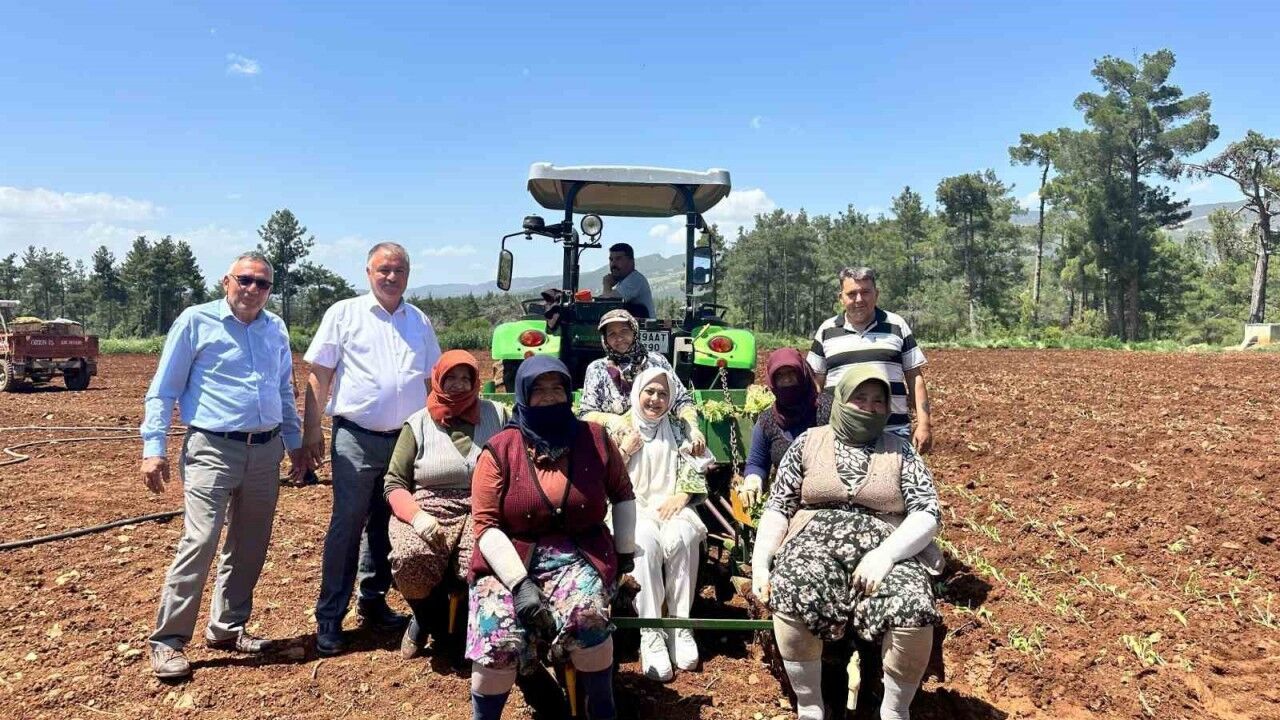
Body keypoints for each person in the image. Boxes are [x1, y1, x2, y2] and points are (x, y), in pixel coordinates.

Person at [140, 252, 307, 679]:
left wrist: (294, 443)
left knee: (250, 542)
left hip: (265, 450)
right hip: (212, 448)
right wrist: (153, 447)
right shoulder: (195, 321)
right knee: (200, 539)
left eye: (262, 284)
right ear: (226, 281)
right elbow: (163, 390)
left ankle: (228, 627)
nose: (253, 289)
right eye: (244, 280)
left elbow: (284, 391)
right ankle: (168, 641)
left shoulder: (275, 328)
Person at [751, 364, 944, 720]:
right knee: (793, 586)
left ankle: (895, 710)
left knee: (914, 605)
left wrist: (886, 556)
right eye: (860, 398)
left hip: (885, 549)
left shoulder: (901, 451)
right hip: (812, 545)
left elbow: (927, 513)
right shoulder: (807, 443)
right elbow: (779, 507)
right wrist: (761, 563)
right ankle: (810, 706)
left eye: (877, 401)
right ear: (840, 400)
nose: (869, 407)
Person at [465, 356, 636, 720]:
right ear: (523, 395)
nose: (548, 397)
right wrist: (519, 584)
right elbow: (486, 526)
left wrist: (624, 555)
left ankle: (601, 708)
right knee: (497, 632)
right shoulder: (500, 449)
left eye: (557, 389)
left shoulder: (595, 438)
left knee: (587, 617)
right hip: (509, 556)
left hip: (581, 553)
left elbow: (623, 493)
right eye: (538, 390)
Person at [303, 242, 442, 656]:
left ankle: (373, 600)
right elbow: (319, 375)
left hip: (406, 440)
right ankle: (330, 616)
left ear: (408, 275)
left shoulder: (419, 321)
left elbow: (431, 383)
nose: (391, 277)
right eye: (383, 269)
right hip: (356, 437)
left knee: (388, 523)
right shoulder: (344, 314)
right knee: (347, 524)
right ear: (368, 272)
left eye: (399, 270)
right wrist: (312, 430)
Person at [383, 350, 510, 659]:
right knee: (411, 558)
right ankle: (425, 620)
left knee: (481, 563)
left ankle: (465, 634)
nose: (458, 384)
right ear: (438, 379)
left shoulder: (498, 415)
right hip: (429, 506)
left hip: (485, 505)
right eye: (450, 377)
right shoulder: (418, 423)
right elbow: (394, 483)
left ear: (476, 381)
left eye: (466, 378)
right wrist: (416, 517)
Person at [604, 367, 711, 682]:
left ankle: (680, 625)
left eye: (663, 394)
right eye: (649, 392)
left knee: (683, 537)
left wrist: (683, 495)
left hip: (671, 505)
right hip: (631, 507)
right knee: (644, 542)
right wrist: (625, 451)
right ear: (637, 393)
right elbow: (604, 475)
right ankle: (650, 631)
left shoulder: (678, 427)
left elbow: (696, 465)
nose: (655, 399)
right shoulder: (620, 428)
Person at [806, 267, 933, 453]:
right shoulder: (827, 330)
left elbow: (914, 377)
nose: (859, 299)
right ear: (841, 298)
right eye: (851, 294)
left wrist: (924, 424)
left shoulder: (896, 325)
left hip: (892, 432)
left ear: (876, 294)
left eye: (865, 292)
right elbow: (815, 383)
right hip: (842, 435)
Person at [579, 309, 706, 456]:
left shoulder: (656, 361)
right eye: (612, 334)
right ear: (605, 339)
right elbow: (586, 413)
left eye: (624, 331)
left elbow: (681, 400)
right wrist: (614, 421)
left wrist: (693, 429)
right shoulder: (597, 369)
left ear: (634, 332)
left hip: (660, 446)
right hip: (619, 449)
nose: (619, 338)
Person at [739, 347, 834, 508]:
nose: (787, 380)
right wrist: (752, 482)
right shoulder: (768, 421)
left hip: (830, 499)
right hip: (786, 502)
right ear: (772, 381)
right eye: (780, 376)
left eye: (792, 373)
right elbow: (757, 463)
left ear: (803, 373)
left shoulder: (828, 409)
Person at [598, 242, 655, 318]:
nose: (613, 264)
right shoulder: (623, 282)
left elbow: (608, 306)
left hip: (643, 325)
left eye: (618, 259)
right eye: (611, 260)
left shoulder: (635, 279)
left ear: (631, 261)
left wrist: (607, 284)